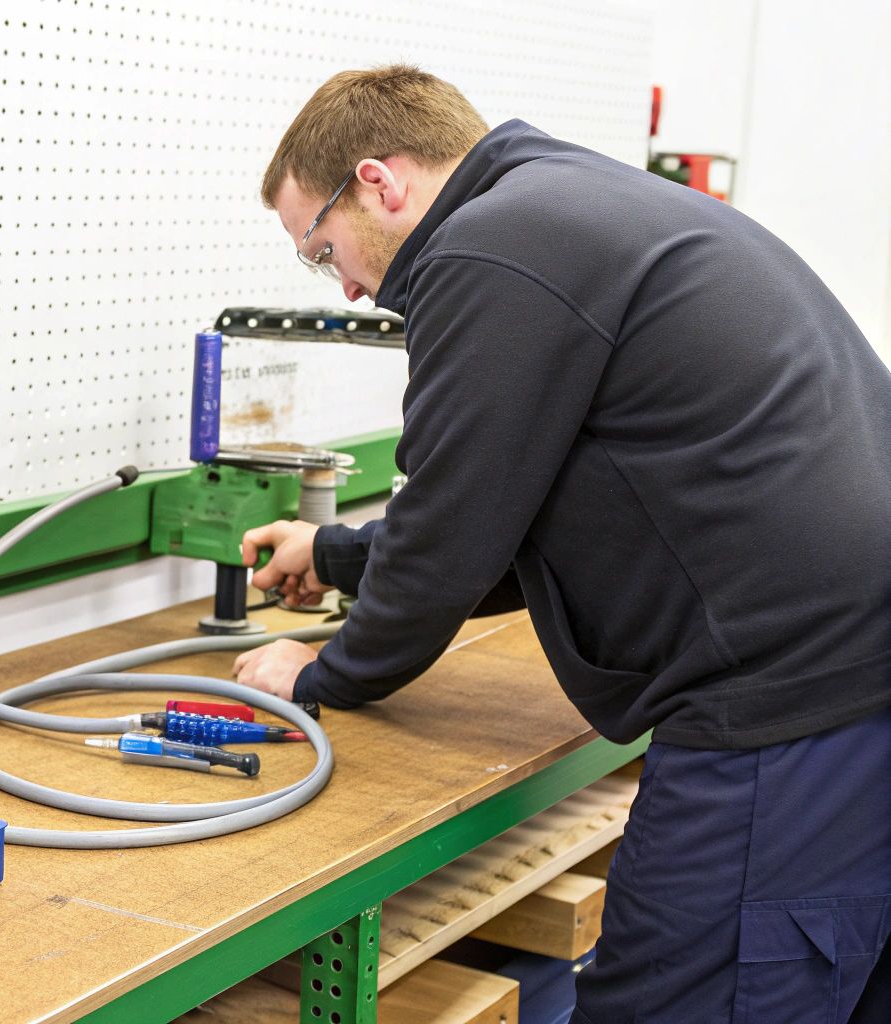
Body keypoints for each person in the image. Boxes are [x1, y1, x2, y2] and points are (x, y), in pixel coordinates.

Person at [230, 65, 891, 1023]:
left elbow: (451, 528)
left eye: (321, 244)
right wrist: (331, 556)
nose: (346, 283)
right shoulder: (567, 205)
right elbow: (503, 514)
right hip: (851, 684)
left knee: (682, 1002)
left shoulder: (487, 249)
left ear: (379, 181)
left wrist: (325, 673)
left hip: (785, 710)